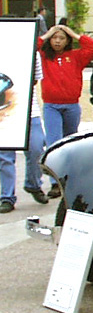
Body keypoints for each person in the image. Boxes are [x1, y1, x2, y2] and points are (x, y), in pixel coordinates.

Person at [38, 24, 93, 196]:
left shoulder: (75, 56)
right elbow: (32, 46)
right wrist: (48, 33)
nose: (57, 41)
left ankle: (69, 178)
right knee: (54, 142)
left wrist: (74, 34)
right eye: (54, 38)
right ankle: (55, 182)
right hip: (51, 105)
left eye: (61, 38)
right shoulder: (44, 57)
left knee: (70, 143)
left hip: (72, 105)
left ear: (67, 41)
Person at [0, 53, 49, 212]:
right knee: (5, 155)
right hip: (4, 112)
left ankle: (33, 184)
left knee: (36, 148)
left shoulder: (32, 52)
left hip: (29, 110)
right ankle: (7, 196)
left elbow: (34, 80)